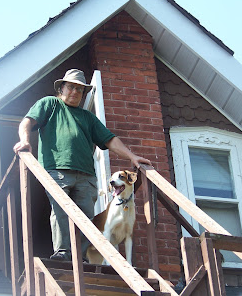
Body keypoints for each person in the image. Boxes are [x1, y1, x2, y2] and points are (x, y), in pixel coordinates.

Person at [13, 69, 151, 262]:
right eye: (71, 87)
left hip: (86, 175)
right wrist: (25, 141)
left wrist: (132, 157)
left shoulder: (88, 118)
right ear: (62, 88)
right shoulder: (49, 104)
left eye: (80, 89)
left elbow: (110, 140)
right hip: (57, 171)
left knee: (85, 216)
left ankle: (81, 257)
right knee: (61, 210)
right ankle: (62, 251)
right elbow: (26, 123)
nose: (75, 92)